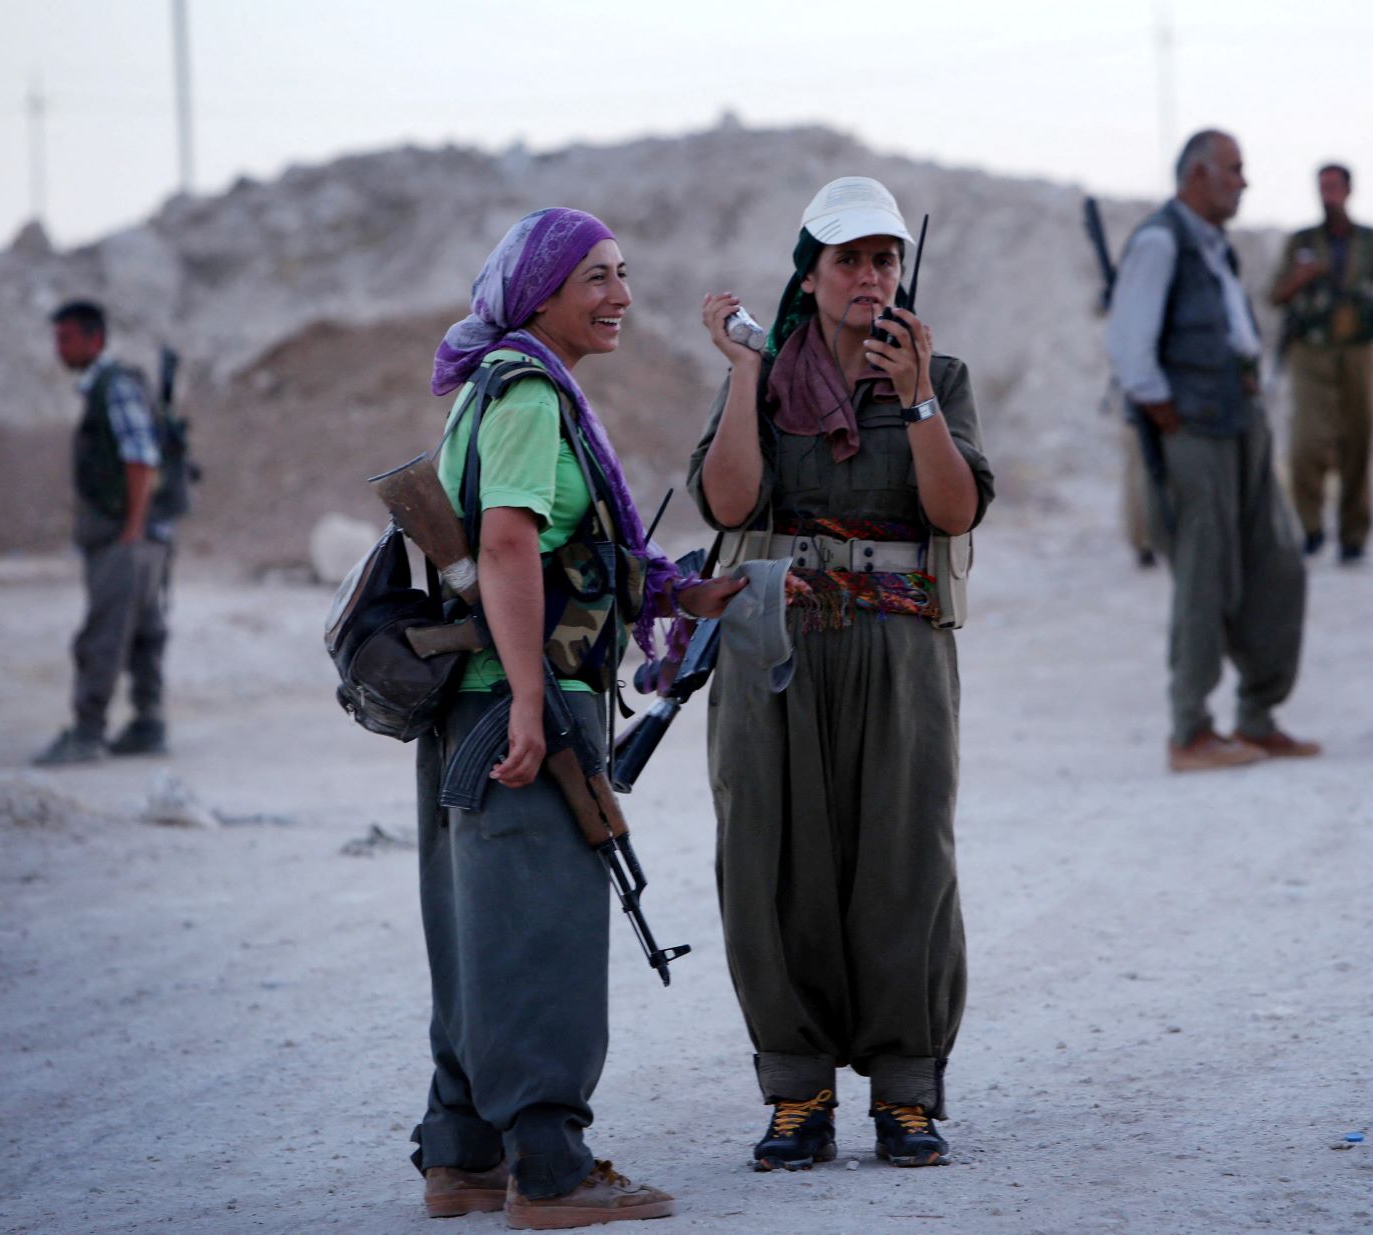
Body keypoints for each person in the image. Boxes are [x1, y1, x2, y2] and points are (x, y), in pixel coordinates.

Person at [412, 208, 741, 1228]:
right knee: (541, 932)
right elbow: (508, 546)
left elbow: (551, 552)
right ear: (539, 292)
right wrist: (526, 701)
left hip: (481, 702)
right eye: (595, 276)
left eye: (623, 272)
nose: (620, 296)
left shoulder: (498, 384)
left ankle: (462, 1153)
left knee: (477, 935)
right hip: (521, 703)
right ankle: (549, 1169)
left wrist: (676, 596)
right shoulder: (523, 393)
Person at [689, 177, 992, 1171]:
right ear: (809, 274)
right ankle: (796, 1091)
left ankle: (905, 1090)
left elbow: (952, 511)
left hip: (896, 641)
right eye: (848, 259)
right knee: (770, 856)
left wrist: (911, 401)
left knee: (903, 856)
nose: (869, 276)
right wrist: (742, 373)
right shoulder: (766, 378)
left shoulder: (936, 376)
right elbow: (728, 502)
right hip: (773, 641)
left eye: (884, 258)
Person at [1104, 130, 1320, 773]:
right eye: (1233, 170)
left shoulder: (1213, 245)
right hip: (1193, 431)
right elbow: (1129, 345)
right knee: (1204, 576)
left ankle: (1258, 716)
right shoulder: (1160, 240)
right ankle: (1190, 730)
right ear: (1197, 176)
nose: (1242, 182)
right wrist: (1168, 415)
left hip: (1240, 422)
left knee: (1278, 564)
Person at [33, 300, 173, 766]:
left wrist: (130, 528)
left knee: (105, 635)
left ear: (94, 339)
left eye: (66, 338)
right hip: (145, 534)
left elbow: (140, 458)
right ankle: (147, 724)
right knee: (144, 632)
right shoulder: (111, 386)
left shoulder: (113, 388)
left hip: (126, 536)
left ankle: (88, 734)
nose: (60, 348)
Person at [1270, 163, 1373, 563]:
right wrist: (1302, 276)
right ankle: (1311, 526)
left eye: (1334, 187)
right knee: (1307, 445)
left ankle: (1354, 536)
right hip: (1311, 353)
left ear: (1349, 190)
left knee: (1358, 442)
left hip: (1357, 351)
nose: (1327, 195)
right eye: (1322, 187)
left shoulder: (1370, 241)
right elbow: (1274, 294)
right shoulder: (1302, 241)